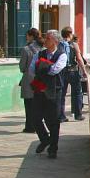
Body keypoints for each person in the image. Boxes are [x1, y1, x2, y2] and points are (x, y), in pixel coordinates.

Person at [29, 30, 68, 158]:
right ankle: (45, 139)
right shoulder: (39, 53)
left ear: (55, 41)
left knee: (53, 120)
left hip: (54, 91)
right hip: (39, 89)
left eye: (48, 39)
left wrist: (42, 66)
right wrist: (45, 67)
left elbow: (55, 70)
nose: (45, 41)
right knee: (35, 118)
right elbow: (32, 69)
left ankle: (53, 148)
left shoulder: (62, 55)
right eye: (45, 38)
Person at [17, 28, 43, 134]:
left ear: (31, 36)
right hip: (40, 78)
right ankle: (39, 125)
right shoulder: (42, 48)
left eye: (27, 35)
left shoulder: (26, 50)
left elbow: (22, 67)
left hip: (29, 79)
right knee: (38, 103)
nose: (26, 37)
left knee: (29, 104)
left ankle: (30, 126)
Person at [60, 27, 87, 122]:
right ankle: (78, 114)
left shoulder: (59, 44)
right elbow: (79, 59)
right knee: (77, 93)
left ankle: (61, 116)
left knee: (61, 94)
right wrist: (84, 71)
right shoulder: (74, 45)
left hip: (62, 72)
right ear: (70, 34)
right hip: (73, 71)